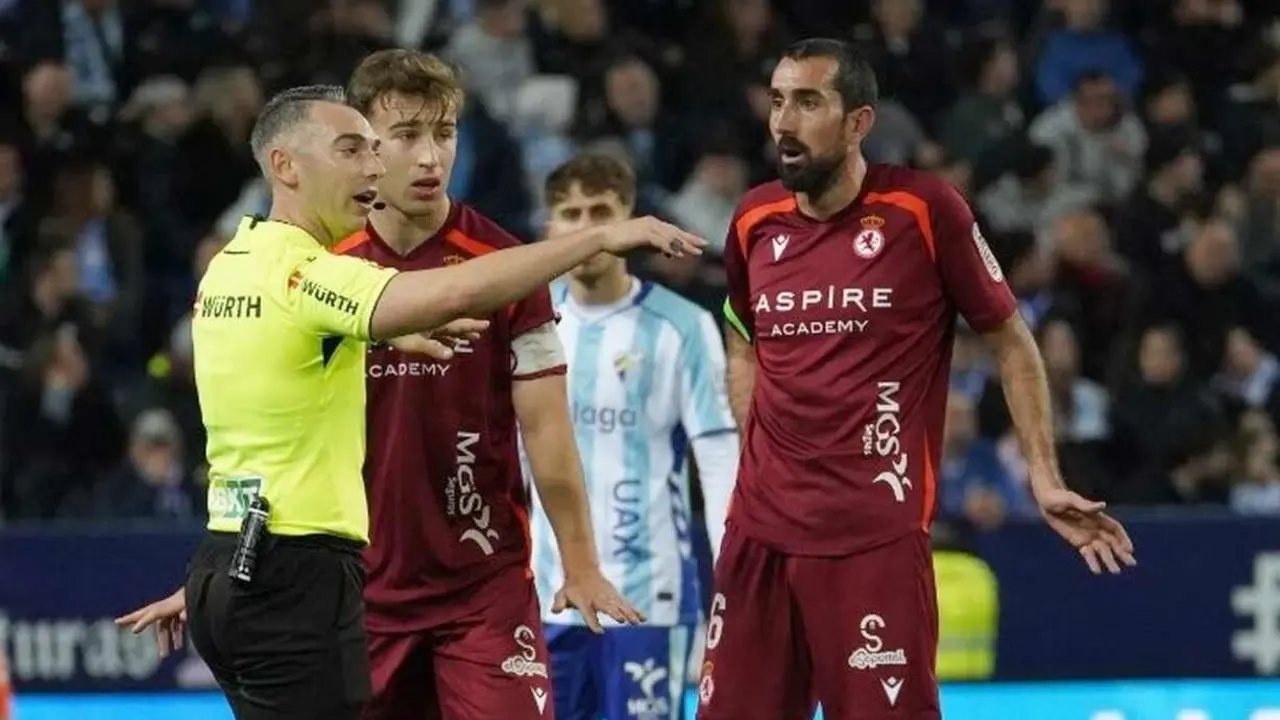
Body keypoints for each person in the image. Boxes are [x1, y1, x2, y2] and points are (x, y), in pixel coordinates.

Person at [115, 84, 704, 720]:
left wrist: (227, 571)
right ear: (285, 165)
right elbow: (449, 292)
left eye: (437, 136)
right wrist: (593, 241)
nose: (374, 167)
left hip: (243, 556)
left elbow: (274, 401)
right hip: (308, 572)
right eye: (354, 149)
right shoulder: (313, 273)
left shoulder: (231, 266)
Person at [696, 38, 1137, 720]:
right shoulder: (755, 218)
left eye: (809, 102)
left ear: (858, 122)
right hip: (759, 537)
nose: (784, 121)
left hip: (872, 537)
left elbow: (1013, 344)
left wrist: (1043, 475)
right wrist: (755, 439)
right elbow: (741, 334)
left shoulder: (924, 210)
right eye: (779, 100)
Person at [331, 49, 641, 720]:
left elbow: (548, 430)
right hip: (356, 590)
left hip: (482, 587)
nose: (428, 157)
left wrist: (581, 564)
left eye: (443, 134)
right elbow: (272, 435)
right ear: (363, 143)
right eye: (407, 135)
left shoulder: (508, 267)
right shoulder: (324, 269)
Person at [532, 153, 740, 720]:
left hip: (651, 596)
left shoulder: (683, 326)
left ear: (630, 218)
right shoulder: (526, 324)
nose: (589, 228)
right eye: (571, 213)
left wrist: (735, 579)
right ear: (548, 227)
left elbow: (719, 458)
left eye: (602, 211)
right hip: (544, 597)